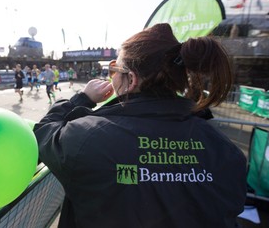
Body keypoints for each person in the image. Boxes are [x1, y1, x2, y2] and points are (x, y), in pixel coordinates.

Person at [33, 23, 246, 228]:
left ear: (131, 79)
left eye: (114, 68)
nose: (112, 75)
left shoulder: (86, 136)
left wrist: (82, 98)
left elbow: (43, 133)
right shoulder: (225, 149)